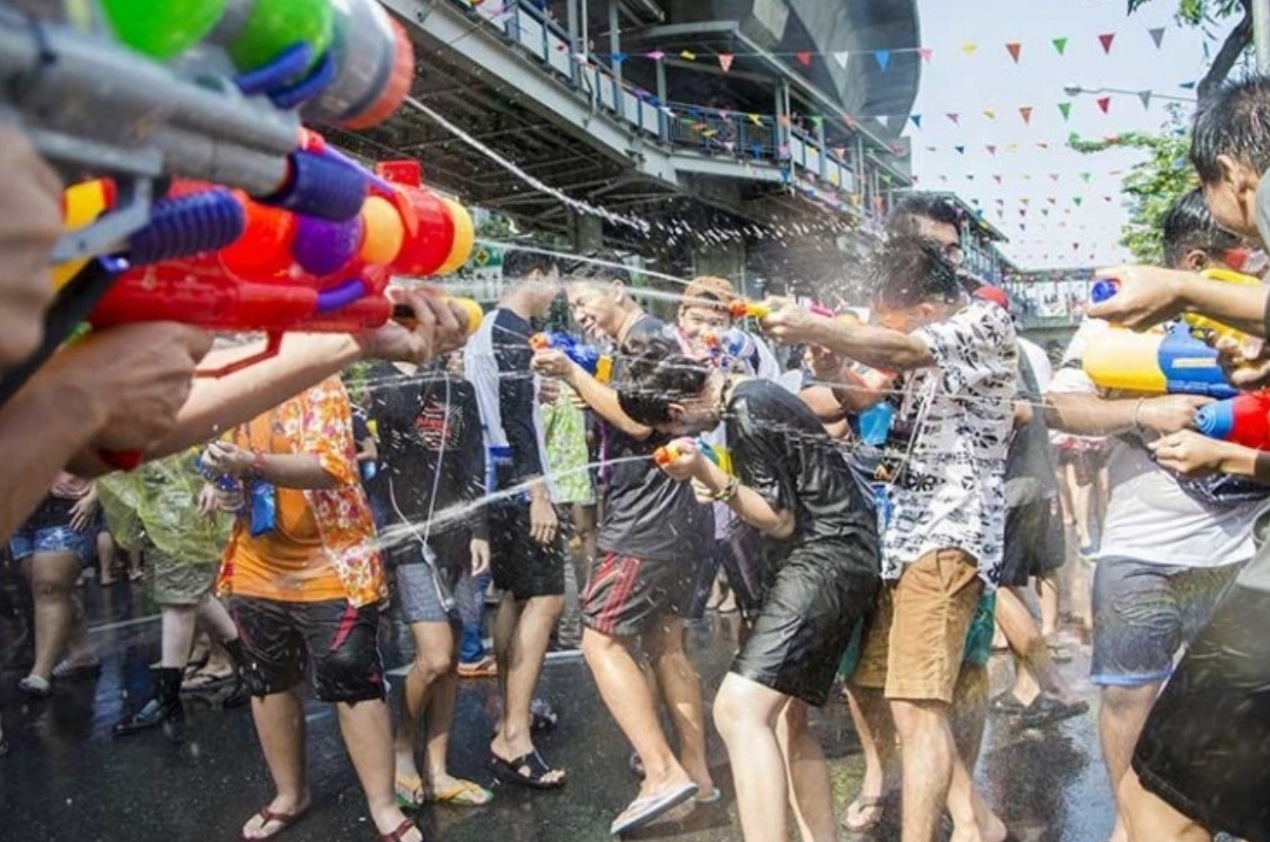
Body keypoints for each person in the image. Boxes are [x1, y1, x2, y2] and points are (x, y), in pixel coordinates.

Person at [758, 236, 1014, 842]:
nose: (879, 327)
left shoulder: (982, 322)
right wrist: (834, 368)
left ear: (927, 309)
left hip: (950, 532)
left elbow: (901, 349)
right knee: (873, 684)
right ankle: (979, 820)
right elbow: (863, 394)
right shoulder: (917, 332)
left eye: (888, 316)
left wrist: (817, 326)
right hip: (899, 532)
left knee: (918, 705)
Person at [1046, 189, 1267, 842]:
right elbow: (1059, 406)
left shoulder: (1253, 320)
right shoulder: (1120, 320)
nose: (1257, 267)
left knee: (1237, 712)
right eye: (1245, 254)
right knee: (1128, 695)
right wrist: (1145, 410)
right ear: (1196, 260)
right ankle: (1133, 826)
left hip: (1245, 553)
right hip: (1141, 551)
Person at [616, 335, 879, 842]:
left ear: (675, 411)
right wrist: (719, 480)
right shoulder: (753, 395)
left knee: (738, 710)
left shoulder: (747, 408)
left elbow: (778, 518)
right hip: (840, 554)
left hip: (825, 558)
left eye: (667, 429)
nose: (673, 436)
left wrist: (708, 473)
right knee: (784, 720)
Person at [531, 264, 715, 834]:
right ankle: (698, 775)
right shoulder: (644, 340)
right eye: (572, 306)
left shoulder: (645, 340)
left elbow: (638, 422)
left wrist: (570, 372)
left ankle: (661, 772)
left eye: (585, 300)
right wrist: (585, 386)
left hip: (644, 521)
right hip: (677, 520)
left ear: (618, 289)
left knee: (600, 641)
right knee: (666, 644)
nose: (580, 313)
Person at [205, 378, 420, 842]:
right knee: (268, 680)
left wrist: (250, 464)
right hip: (257, 564)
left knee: (352, 681)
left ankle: (383, 805)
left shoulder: (318, 382)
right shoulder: (235, 387)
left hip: (331, 564)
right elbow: (220, 457)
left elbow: (330, 466)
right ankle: (289, 794)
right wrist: (222, 485)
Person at [365, 351, 494, 809]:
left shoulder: (460, 388)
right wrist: (422, 364)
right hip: (408, 533)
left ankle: (438, 769)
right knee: (434, 657)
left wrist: (479, 529)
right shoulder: (380, 378)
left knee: (453, 656)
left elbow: (472, 460)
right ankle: (402, 748)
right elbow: (399, 416)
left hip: (458, 535)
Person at [464, 249, 567, 788]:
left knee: (514, 596)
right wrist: (539, 493)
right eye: (555, 282)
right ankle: (515, 737)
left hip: (494, 481)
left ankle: (510, 715)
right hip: (519, 481)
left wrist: (534, 390)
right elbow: (515, 423)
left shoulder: (486, 330)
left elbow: (502, 406)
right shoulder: (513, 332)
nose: (556, 294)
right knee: (547, 598)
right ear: (537, 275)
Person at [972, 286, 1086, 728]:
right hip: (1026, 483)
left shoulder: (994, 343)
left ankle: (1054, 685)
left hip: (1012, 486)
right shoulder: (1011, 343)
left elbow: (1018, 411)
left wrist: (969, 422)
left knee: (994, 584)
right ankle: (1027, 687)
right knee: (1010, 586)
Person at [97, 451, 246, 737]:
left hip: (183, 511)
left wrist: (214, 480)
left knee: (178, 603)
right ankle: (250, 667)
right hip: (161, 508)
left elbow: (216, 439)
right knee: (194, 597)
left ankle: (167, 697)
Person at [11, 474, 100, 696]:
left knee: (49, 589)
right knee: (49, 589)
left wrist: (96, 495)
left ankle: (40, 673)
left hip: (68, 506)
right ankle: (81, 654)